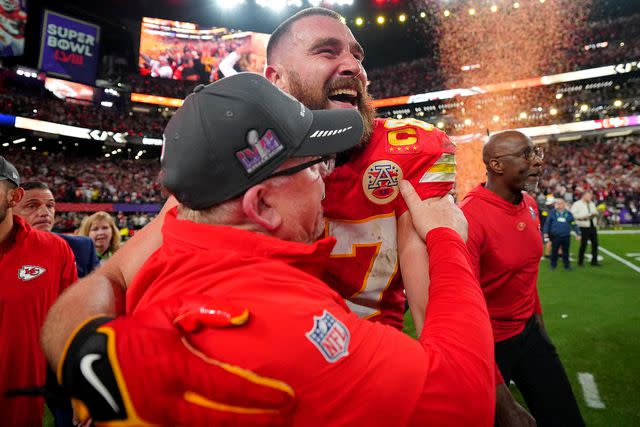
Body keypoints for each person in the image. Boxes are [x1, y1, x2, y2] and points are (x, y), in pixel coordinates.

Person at [52, 72, 494, 426]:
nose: (326, 176)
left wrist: (92, 368)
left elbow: (80, 300)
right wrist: (446, 241)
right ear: (260, 204)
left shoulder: (177, 229)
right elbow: (462, 398)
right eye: (312, 165)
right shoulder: (281, 323)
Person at [460, 130, 585, 426]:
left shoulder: (529, 203)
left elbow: (526, 272)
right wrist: (503, 401)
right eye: (527, 154)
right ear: (496, 165)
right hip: (488, 344)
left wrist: (539, 323)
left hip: (530, 333)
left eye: (536, 152)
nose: (539, 161)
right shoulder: (469, 218)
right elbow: (462, 310)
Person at [0, 156, 78, 426]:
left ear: (13, 196)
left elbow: (72, 324)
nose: (45, 212)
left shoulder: (54, 250)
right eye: (34, 205)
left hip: (25, 403)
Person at [14, 181, 100, 278]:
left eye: (50, 205)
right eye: (32, 206)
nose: (45, 213)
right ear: (11, 213)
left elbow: (101, 289)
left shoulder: (82, 248)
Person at [543, 198, 581, 271]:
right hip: (555, 235)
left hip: (566, 236)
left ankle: (567, 266)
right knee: (554, 251)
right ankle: (553, 265)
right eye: (557, 203)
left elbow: (573, 224)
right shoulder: (552, 213)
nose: (558, 205)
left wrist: (578, 233)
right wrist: (545, 232)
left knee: (566, 251)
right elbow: (547, 223)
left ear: (564, 204)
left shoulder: (568, 213)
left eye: (560, 203)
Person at [571, 189, 600, 266]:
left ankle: (594, 261)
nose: (590, 197)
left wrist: (596, 214)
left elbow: (595, 212)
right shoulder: (577, 204)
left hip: (592, 226)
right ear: (583, 196)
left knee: (595, 244)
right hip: (583, 226)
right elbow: (573, 215)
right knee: (583, 244)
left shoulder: (592, 203)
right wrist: (583, 217)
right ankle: (580, 262)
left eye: (590, 196)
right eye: (588, 196)